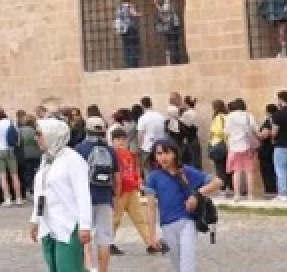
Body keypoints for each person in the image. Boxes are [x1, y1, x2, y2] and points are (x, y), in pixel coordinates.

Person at [145, 139, 222, 272]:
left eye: (166, 153)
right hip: (167, 225)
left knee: (187, 262)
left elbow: (218, 182)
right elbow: (151, 208)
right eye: (159, 154)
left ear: (174, 153)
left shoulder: (187, 171)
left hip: (187, 222)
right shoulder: (153, 177)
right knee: (176, 264)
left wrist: (197, 194)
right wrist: (151, 236)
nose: (162, 157)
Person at [28, 117, 90, 272]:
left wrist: (85, 225)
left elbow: (82, 193)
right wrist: (35, 219)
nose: (36, 138)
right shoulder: (46, 159)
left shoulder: (73, 160)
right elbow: (40, 191)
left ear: (52, 134)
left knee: (69, 268)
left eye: (39, 134)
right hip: (48, 224)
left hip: (67, 224)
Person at [73, 117, 119, 272]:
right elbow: (117, 178)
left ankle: (89, 267)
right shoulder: (110, 150)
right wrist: (116, 198)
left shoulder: (79, 149)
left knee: (85, 235)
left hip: (84, 198)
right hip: (105, 198)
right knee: (104, 238)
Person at [108, 127, 160, 256]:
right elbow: (120, 175)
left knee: (140, 218)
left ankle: (150, 243)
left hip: (131, 191)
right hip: (120, 191)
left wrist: (139, 180)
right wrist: (137, 184)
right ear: (112, 141)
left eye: (122, 139)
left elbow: (135, 170)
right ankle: (108, 243)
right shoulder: (113, 155)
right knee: (115, 220)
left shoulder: (130, 154)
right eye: (117, 139)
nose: (120, 142)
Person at [223, 98, 259, 201]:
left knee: (236, 171)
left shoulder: (229, 116)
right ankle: (250, 195)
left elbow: (226, 132)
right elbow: (255, 129)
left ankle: (237, 194)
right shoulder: (248, 116)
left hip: (234, 146)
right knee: (249, 172)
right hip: (247, 146)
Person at [0, 108, 22, 207]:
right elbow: (18, 138)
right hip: (10, 150)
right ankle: (18, 198)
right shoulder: (10, 123)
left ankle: (7, 199)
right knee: (14, 175)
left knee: (2, 176)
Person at [152, 0, 185, 65]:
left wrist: (157, 5)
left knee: (173, 44)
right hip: (167, 27)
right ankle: (172, 62)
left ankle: (175, 62)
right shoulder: (162, 4)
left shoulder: (167, 2)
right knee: (170, 45)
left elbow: (164, 12)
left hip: (173, 26)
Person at [136, 97, 167, 165]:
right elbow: (165, 131)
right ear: (151, 103)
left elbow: (140, 135)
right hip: (160, 146)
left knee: (148, 169)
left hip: (147, 147)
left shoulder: (143, 118)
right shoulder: (161, 116)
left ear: (142, 105)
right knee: (160, 167)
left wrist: (139, 147)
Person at [115, 0, 141, 68]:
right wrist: (140, 14)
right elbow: (134, 14)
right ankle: (133, 65)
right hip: (131, 29)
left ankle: (128, 64)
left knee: (126, 47)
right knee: (133, 47)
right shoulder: (130, 6)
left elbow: (117, 16)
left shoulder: (119, 7)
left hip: (123, 30)